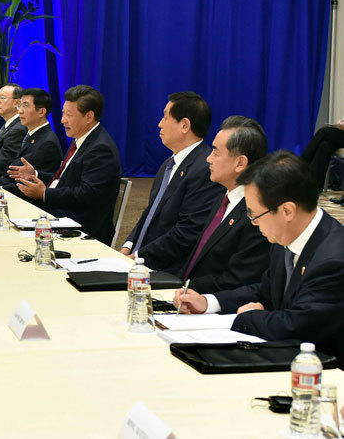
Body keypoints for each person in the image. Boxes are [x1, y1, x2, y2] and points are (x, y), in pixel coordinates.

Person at [175, 152, 344, 361]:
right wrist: (208, 303)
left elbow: (296, 326)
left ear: (287, 211)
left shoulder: (333, 260)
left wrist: (249, 318)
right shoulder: (287, 236)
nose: (253, 223)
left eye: (254, 214)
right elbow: (265, 291)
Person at [120, 92, 224, 276]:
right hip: (139, 261)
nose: (160, 123)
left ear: (184, 125)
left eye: (166, 117)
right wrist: (127, 246)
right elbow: (151, 214)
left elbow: (187, 232)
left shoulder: (205, 169)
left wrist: (138, 256)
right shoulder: (168, 165)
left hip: (165, 271)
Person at [11, 85, 121, 245]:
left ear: (89, 116)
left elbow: (87, 194)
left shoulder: (100, 148)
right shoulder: (81, 139)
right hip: (59, 214)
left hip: (79, 226)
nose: (63, 120)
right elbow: (66, 180)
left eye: (68, 115)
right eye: (63, 113)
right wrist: (36, 174)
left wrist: (44, 194)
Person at [175, 116, 272, 293]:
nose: (208, 159)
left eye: (216, 153)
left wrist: (183, 289)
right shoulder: (223, 198)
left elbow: (236, 280)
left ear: (240, 163)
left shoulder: (257, 216)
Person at [0, 88, 62, 191]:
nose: (20, 111)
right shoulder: (30, 135)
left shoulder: (48, 143)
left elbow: (31, 183)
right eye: (20, 105)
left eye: (25, 106)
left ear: (41, 112)